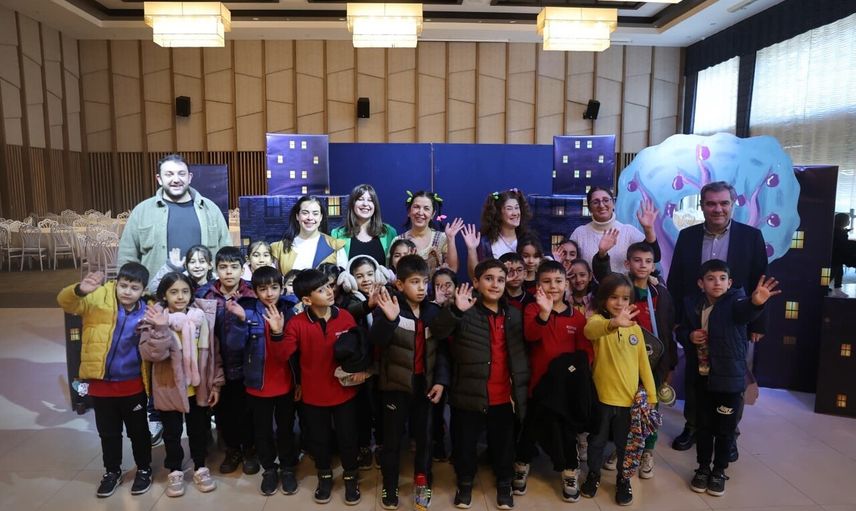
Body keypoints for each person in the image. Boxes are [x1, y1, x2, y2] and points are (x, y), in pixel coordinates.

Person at [667, 181, 768, 454]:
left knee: (733, 379)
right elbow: (676, 279)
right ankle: (693, 425)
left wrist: (758, 322)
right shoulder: (687, 236)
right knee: (695, 377)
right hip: (696, 318)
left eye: (724, 203)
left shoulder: (751, 237)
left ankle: (728, 432)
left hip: (736, 320)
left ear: (732, 204)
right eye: (711, 203)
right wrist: (677, 318)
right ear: (702, 206)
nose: (718, 209)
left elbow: (760, 281)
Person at [431, 259, 530, 511]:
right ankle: (465, 483)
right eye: (488, 278)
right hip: (469, 394)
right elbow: (439, 332)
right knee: (465, 444)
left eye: (500, 279)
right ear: (475, 282)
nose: (495, 284)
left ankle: (505, 484)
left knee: (503, 445)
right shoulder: (464, 309)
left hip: (503, 396)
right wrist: (456, 310)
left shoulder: (514, 315)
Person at [680, 260, 779, 497]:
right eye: (711, 278)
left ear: (730, 282)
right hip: (702, 376)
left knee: (725, 430)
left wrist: (756, 302)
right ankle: (703, 468)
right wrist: (689, 336)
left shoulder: (735, 302)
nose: (717, 283)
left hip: (729, 380)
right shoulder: (692, 304)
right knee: (703, 427)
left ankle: (719, 471)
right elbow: (682, 329)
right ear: (701, 283)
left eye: (722, 278)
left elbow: (746, 311)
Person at [57, 264, 153, 498]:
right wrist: (80, 290)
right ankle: (112, 471)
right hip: (101, 386)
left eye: (134, 288)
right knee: (108, 433)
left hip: (133, 385)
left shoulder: (149, 311)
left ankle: (144, 469)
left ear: (143, 290)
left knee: (139, 432)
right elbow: (66, 303)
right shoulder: (98, 298)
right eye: (123, 285)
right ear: (116, 283)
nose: (127, 291)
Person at [370, 255, 449, 510]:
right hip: (395, 387)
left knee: (424, 439)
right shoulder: (390, 306)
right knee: (392, 440)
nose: (421, 288)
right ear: (400, 284)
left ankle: (422, 481)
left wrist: (440, 381)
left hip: (424, 386)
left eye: (425, 282)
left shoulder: (433, 311)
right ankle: (390, 485)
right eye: (415, 282)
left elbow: (442, 351)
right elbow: (376, 341)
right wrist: (390, 319)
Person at [513, 260, 593, 502]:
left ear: (566, 284)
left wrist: (570, 372)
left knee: (566, 432)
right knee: (530, 428)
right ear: (538, 285)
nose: (553, 286)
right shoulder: (532, 310)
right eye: (546, 282)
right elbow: (531, 335)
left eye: (558, 281)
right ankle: (521, 464)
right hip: (538, 386)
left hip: (564, 390)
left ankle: (570, 471)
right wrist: (544, 313)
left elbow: (585, 355)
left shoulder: (577, 318)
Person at [595, 242, 676, 479]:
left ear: (653, 266)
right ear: (627, 263)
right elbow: (604, 278)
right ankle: (623, 448)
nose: (643, 265)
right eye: (637, 260)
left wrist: (670, 364)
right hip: (624, 359)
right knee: (625, 409)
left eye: (648, 261)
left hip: (654, 360)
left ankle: (647, 451)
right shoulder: (622, 290)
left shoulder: (660, 293)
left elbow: (668, 329)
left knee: (650, 407)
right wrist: (602, 255)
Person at [139, 272, 223, 498]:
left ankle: (200, 467)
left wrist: (216, 384)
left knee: (198, 430)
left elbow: (213, 354)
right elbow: (151, 354)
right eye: (174, 292)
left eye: (185, 291)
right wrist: (160, 329)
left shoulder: (201, 318)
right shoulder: (155, 319)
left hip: (198, 388)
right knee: (172, 433)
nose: (180, 297)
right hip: (168, 387)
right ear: (164, 295)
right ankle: (175, 470)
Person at [283, 269, 362, 505]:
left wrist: (361, 370)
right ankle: (324, 476)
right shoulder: (296, 323)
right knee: (319, 439)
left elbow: (358, 349)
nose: (329, 291)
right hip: (313, 394)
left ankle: (351, 476)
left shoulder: (345, 317)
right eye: (321, 289)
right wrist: (277, 332)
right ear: (307, 300)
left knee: (348, 437)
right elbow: (284, 355)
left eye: (328, 286)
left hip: (344, 391)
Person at [581, 273, 658, 506]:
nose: (619, 303)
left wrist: (652, 396)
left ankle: (623, 480)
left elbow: (644, 364)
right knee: (597, 442)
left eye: (625, 298)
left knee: (626, 446)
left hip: (629, 402)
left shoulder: (635, 329)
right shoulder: (598, 321)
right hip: (602, 400)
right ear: (603, 299)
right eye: (614, 297)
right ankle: (593, 475)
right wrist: (613, 323)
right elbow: (590, 331)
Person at [225, 266, 299, 496]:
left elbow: (293, 352)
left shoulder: (290, 311)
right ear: (255, 291)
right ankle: (269, 469)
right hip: (258, 386)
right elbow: (234, 345)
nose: (269, 293)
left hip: (286, 384)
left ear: (282, 288)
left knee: (286, 429)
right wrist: (239, 320)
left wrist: (299, 382)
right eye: (263, 289)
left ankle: (288, 467)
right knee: (262, 431)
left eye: (274, 287)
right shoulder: (247, 312)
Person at [118, 153, 231, 285]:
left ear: (189, 177)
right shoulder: (142, 211)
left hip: (205, 291)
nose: (176, 179)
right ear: (159, 179)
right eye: (169, 174)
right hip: (156, 292)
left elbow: (226, 252)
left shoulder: (210, 209)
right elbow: (127, 257)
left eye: (181, 174)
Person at [195, 246, 259, 475]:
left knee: (248, 410)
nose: (229, 272)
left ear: (243, 268)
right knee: (224, 411)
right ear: (215, 269)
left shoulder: (253, 293)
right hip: (218, 364)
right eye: (223, 267)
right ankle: (233, 450)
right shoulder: (205, 295)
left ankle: (250, 449)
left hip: (249, 363)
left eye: (234, 267)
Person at [569, 186, 660, 273]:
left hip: (624, 284)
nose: (601, 205)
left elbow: (655, 257)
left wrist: (649, 229)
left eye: (606, 200)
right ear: (589, 208)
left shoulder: (628, 231)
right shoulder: (579, 233)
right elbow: (569, 265)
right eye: (595, 202)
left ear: (613, 204)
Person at [270, 195, 347, 274]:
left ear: (321, 217)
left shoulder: (335, 246)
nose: (310, 218)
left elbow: (343, 277)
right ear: (297, 216)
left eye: (315, 213)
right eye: (305, 213)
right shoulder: (279, 248)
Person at [464, 189, 533, 276]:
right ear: (498, 213)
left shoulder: (528, 239)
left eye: (517, 208)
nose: (515, 213)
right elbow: (476, 276)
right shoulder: (486, 242)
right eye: (509, 209)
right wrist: (472, 249)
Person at [393, 191, 463, 273]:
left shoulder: (442, 238)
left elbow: (453, 270)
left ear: (433, 214)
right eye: (416, 207)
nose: (420, 212)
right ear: (409, 211)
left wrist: (450, 239)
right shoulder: (398, 241)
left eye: (426, 208)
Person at [331, 184, 399, 263]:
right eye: (360, 199)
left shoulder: (389, 233)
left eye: (370, 200)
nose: (365, 204)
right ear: (352, 204)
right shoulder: (337, 234)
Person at [149, 244, 213, 293]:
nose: (197, 266)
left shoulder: (216, 284)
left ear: (210, 265)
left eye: (202, 261)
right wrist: (171, 267)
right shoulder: (180, 283)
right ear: (186, 266)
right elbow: (154, 290)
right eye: (192, 262)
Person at [831, 212, 856, 296]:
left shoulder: (837, 230)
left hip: (837, 256)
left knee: (838, 272)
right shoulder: (838, 231)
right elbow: (841, 242)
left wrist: (846, 231)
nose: (849, 222)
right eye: (848, 220)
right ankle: (835, 289)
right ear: (842, 221)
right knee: (835, 272)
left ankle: (836, 289)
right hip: (837, 256)